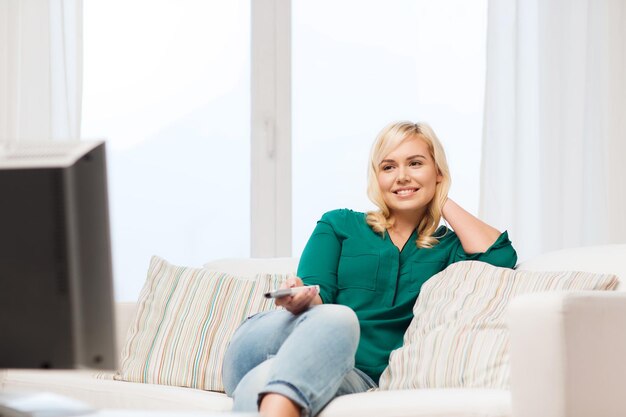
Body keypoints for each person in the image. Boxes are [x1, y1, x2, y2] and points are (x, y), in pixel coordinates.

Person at [222, 121, 517, 417]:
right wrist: (306, 298)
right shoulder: (339, 224)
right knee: (338, 318)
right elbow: (317, 295)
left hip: (348, 374)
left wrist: (441, 200)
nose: (401, 176)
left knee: (263, 381)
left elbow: (500, 255)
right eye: (388, 167)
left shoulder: (447, 247)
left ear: (438, 172)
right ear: (377, 178)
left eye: (415, 164)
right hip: (269, 341)